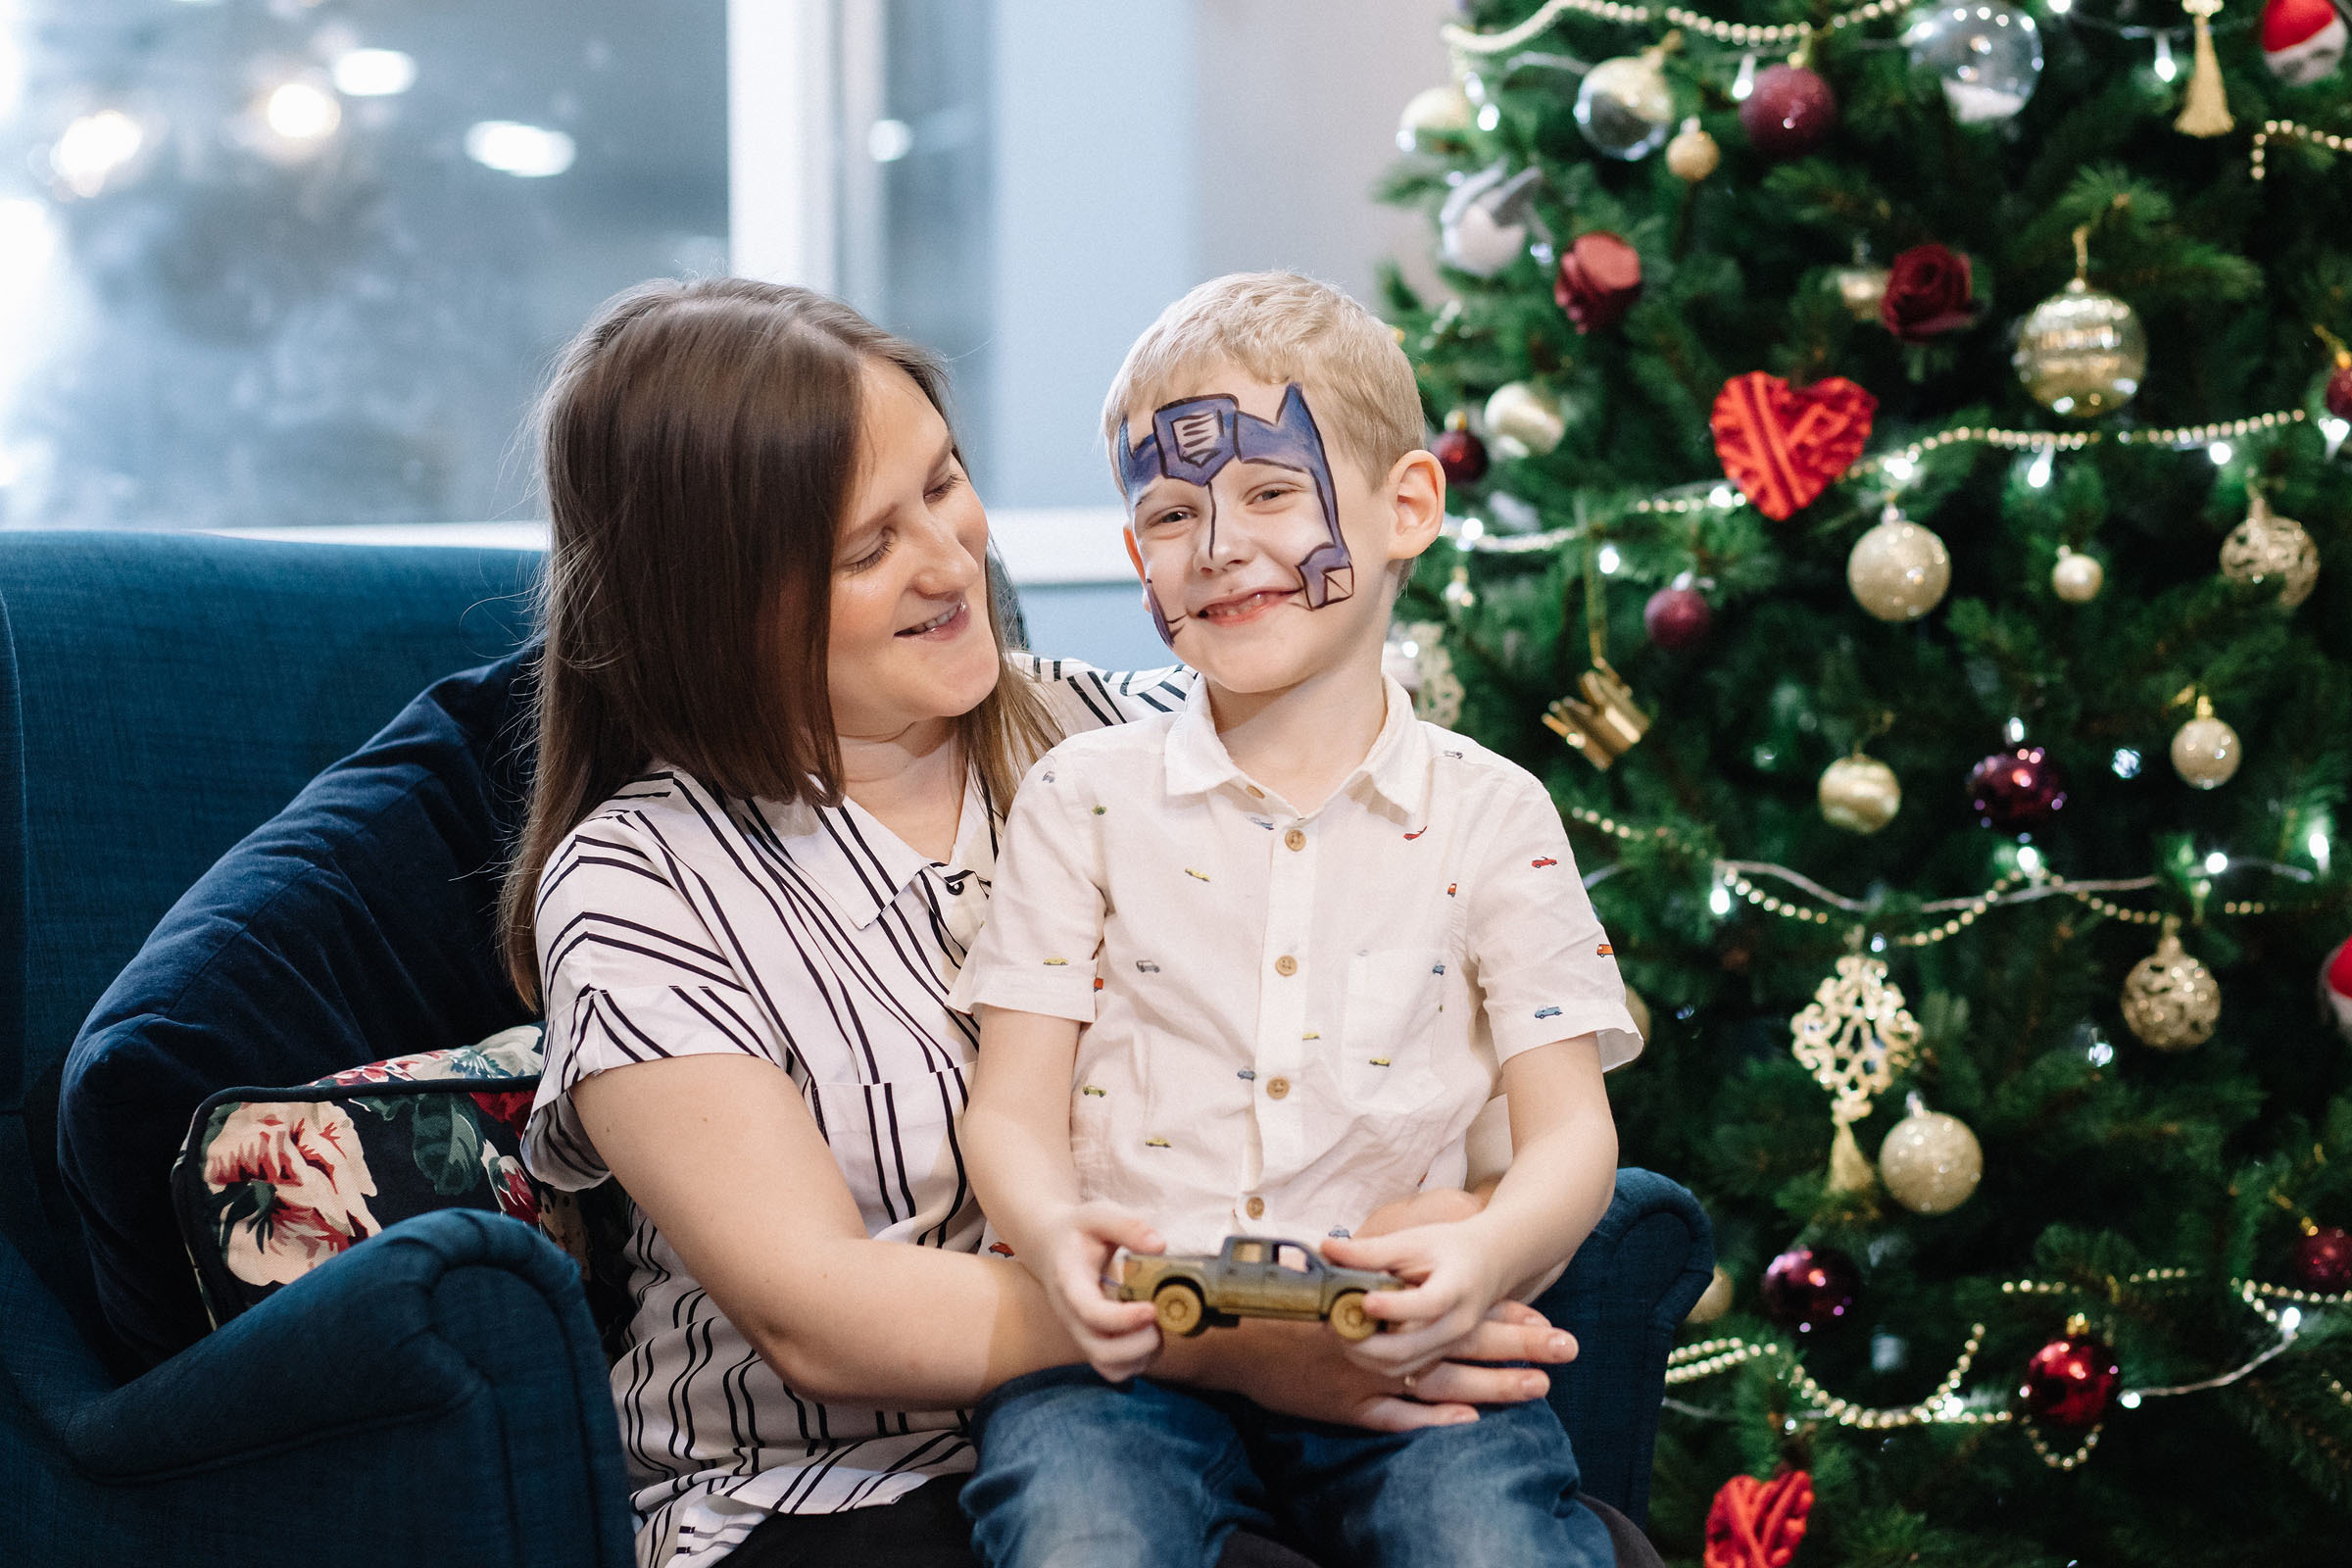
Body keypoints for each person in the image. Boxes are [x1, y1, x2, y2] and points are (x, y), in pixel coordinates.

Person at [504, 276, 1580, 1568]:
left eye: (944, 486)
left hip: (1213, 1426)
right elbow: (819, 1314)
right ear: (716, 605)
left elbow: (1419, 1026)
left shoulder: (1131, 741)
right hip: (828, 1489)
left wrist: (1456, 1219)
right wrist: (1244, 1329)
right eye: (866, 549)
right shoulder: (637, 883)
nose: (950, 561)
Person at [950, 271, 1642, 1568]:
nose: (1219, 545)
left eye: (1273, 491)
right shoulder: (1080, 799)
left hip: (1399, 1358)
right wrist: (1050, 1236)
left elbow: (1571, 1138)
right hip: (1129, 1362)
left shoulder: (1496, 815)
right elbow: (1010, 1105)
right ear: (1133, 553)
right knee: (1079, 1538)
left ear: (1406, 508)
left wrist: (1489, 1253)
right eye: (1168, 512)